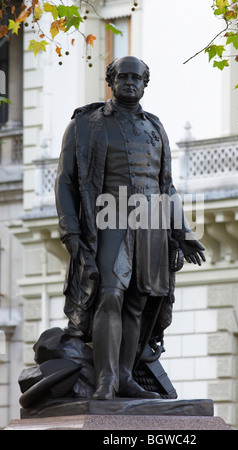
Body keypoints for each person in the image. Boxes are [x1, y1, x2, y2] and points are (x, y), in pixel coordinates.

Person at [55, 56, 205, 400]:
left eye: (136, 78)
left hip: (151, 224)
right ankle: (105, 380)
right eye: (122, 76)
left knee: (138, 301)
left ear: (144, 83)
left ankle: (124, 377)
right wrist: (72, 232)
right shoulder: (85, 124)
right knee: (110, 293)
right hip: (109, 220)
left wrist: (184, 233)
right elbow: (66, 183)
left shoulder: (155, 128)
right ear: (111, 80)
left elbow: (166, 185)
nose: (129, 82)